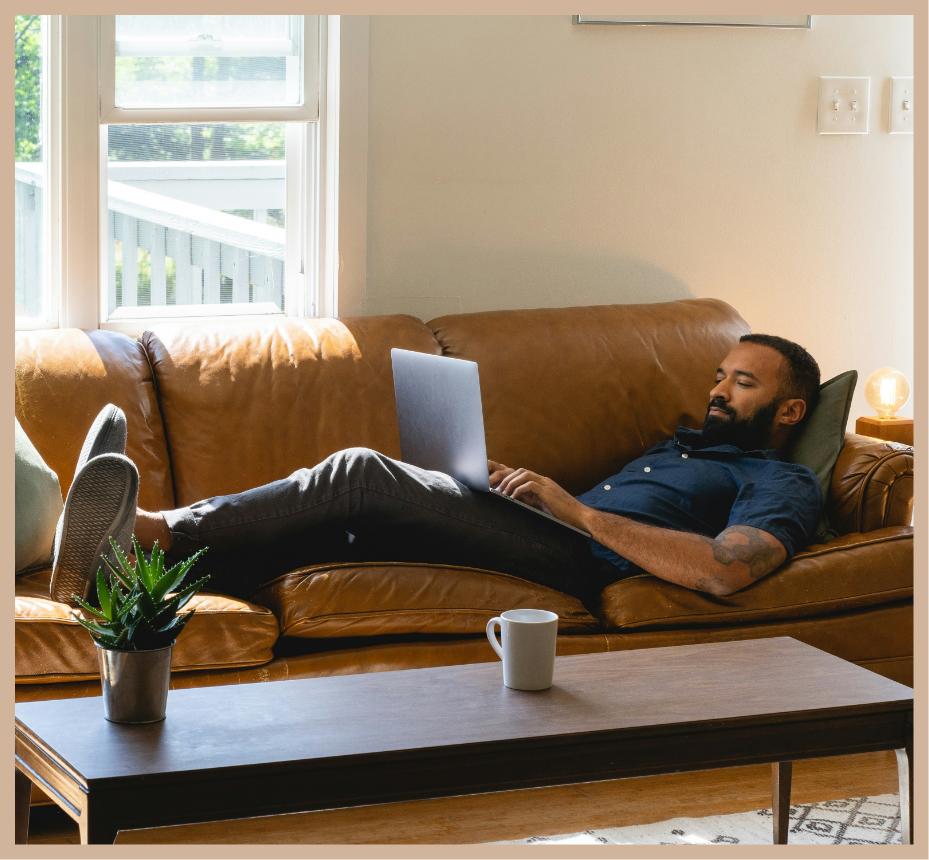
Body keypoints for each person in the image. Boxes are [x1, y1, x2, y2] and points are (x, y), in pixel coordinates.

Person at [50, 334, 824, 609]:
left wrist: (575, 512)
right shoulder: (683, 443)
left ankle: (148, 530)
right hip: (544, 529)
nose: (718, 390)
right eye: (719, 375)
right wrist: (506, 487)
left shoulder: (781, 483)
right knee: (347, 523)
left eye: (742, 384)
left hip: (581, 561)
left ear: (789, 412)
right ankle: (116, 575)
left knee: (357, 473)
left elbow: (725, 571)